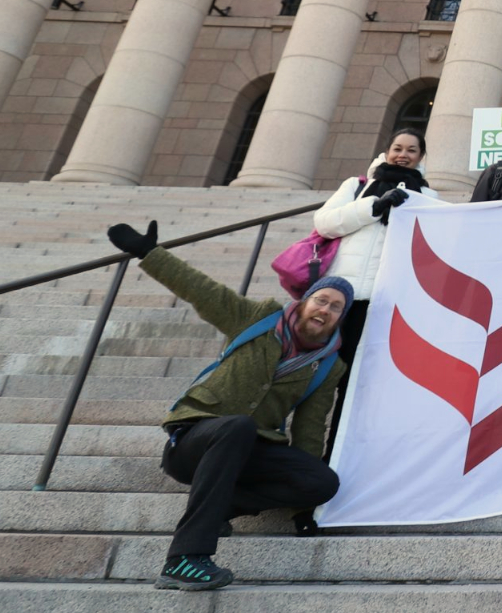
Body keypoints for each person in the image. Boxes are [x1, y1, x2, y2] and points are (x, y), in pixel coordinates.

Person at [102, 220, 346, 592]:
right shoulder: (259, 319)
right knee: (237, 426)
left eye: (335, 308)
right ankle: (185, 559)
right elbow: (202, 291)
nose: (325, 310)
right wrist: (149, 253)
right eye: (321, 300)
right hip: (194, 442)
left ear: (338, 320)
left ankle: (221, 506)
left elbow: (309, 432)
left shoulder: (328, 364)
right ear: (305, 302)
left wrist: (303, 510)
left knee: (322, 480)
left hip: (247, 452)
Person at [308, 127, 438, 469]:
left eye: (411, 150)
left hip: (383, 305)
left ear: (421, 157)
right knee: (322, 380)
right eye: (398, 148)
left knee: (356, 388)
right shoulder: (357, 185)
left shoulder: (428, 196)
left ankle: (334, 458)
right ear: (387, 150)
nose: (403, 155)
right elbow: (324, 223)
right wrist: (374, 207)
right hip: (340, 301)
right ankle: (303, 458)